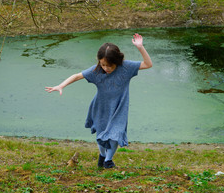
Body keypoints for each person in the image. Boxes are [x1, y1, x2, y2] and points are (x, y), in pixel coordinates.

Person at [45, 33, 152, 168]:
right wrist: (60, 85)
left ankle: (108, 161)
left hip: (119, 109)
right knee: (101, 137)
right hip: (101, 108)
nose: (106, 68)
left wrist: (140, 47)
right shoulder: (96, 71)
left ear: (117, 62)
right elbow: (77, 76)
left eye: (109, 66)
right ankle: (102, 156)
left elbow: (148, 64)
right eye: (103, 65)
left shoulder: (126, 68)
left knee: (115, 135)